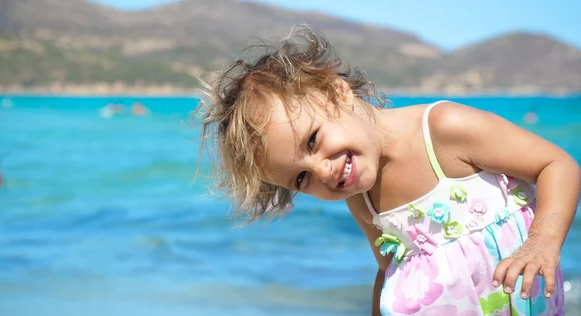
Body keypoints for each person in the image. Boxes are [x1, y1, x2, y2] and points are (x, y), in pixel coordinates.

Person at [194, 25, 580, 315]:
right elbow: (390, 271)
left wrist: (542, 241)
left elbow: (556, 164)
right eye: (301, 178)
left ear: (336, 92)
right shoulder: (362, 200)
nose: (322, 171)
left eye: (312, 141)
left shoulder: (444, 129)